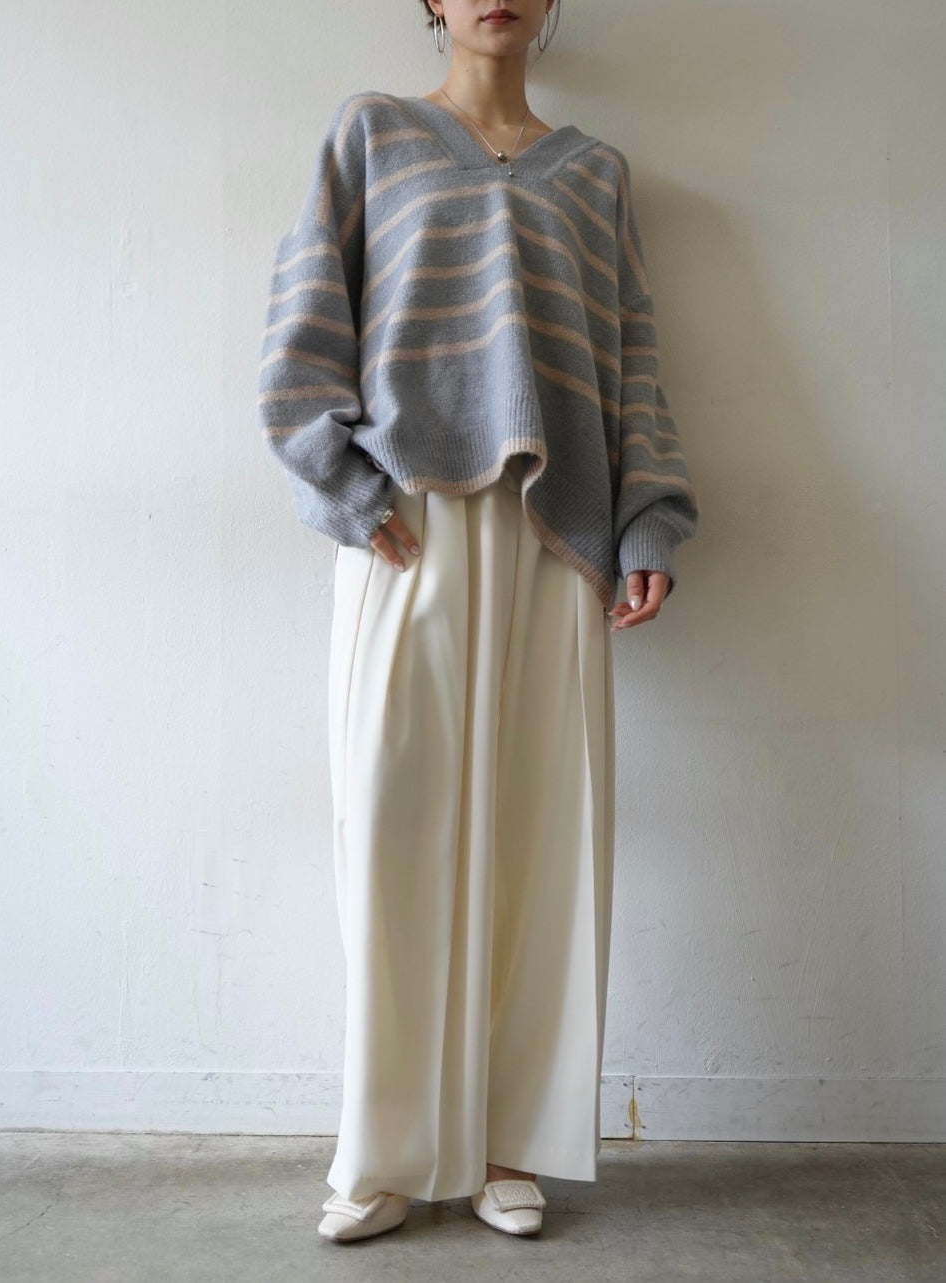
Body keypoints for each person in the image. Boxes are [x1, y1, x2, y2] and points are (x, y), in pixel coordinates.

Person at [257, 0, 698, 1245]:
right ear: (433, 3)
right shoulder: (373, 134)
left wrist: (649, 522)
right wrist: (346, 486)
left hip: (562, 532)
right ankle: (387, 1148)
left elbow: (634, 356)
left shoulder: (596, 174)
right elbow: (303, 328)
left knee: (543, 841)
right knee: (390, 826)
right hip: (407, 523)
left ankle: (513, 1143)